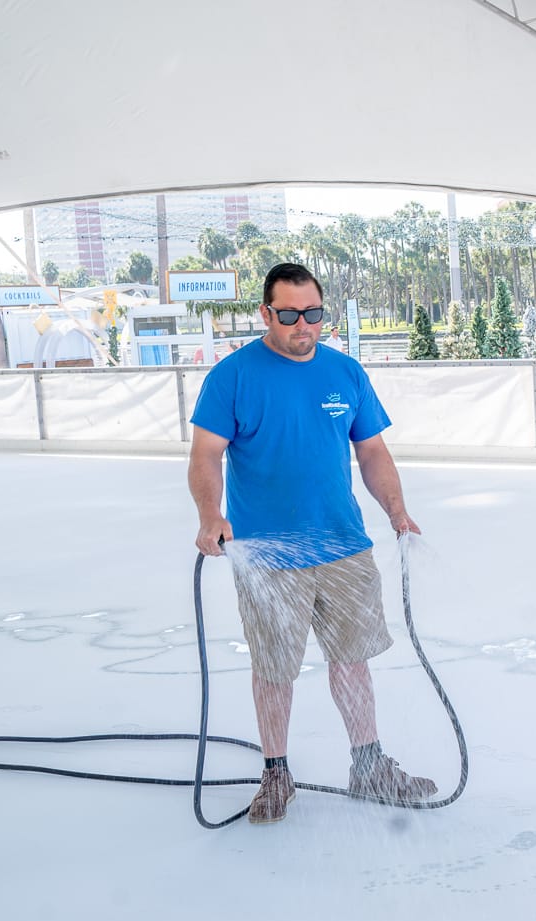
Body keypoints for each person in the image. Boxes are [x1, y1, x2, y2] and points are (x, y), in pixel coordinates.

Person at [187, 262, 436, 824]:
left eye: (314, 314)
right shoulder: (232, 377)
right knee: (274, 668)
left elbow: (371, 452)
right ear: (266, 314)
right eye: (290, 314)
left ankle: (369, 767)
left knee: (352, 661)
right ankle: (276, 773)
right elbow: (206, 454)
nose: (304, 325)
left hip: (344, 545)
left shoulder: (345, 373)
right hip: (269, 556)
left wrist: (396, 510)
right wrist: (211, 514)